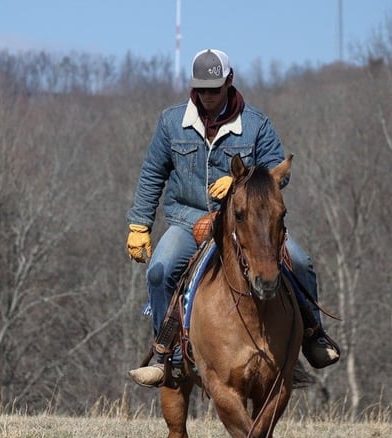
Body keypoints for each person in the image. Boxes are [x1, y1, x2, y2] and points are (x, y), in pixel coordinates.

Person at [126, 48, 339, 387]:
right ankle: (168, 356)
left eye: (213, 89)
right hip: (187, 220)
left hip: (246, 223)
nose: (207, 96)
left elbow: (278, 172)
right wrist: (140, 223)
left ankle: (313, 334)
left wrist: (245, 177)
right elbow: (153, 172)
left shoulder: (256, 125)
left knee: (300, 262)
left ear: (229, 81)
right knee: (160, 270)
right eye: (201, 89)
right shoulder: (171, 122)